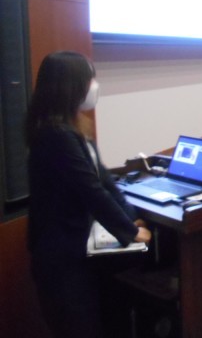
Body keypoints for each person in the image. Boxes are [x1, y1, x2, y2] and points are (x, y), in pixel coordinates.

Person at [26, 51, 152, 338]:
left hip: (79, 247)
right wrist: (131, 232)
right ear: (69, 85)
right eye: (89, 79)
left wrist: (132, 218)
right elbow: (91, 191)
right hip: (60, 258)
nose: (95, 86)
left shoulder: (75, 126)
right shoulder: (55, 134)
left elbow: (104, 179)